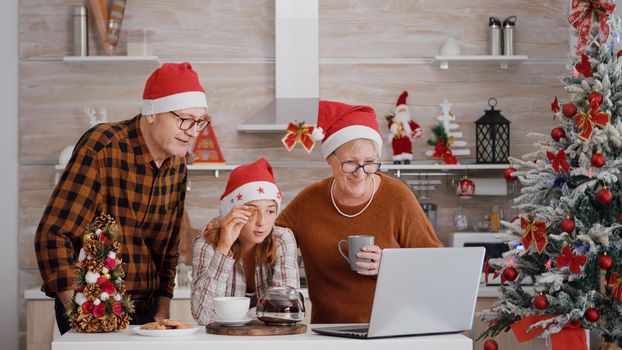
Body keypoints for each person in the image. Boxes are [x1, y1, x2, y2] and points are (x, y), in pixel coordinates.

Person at [34, 62, 210, 334]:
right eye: (184, 118)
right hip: (94, 305)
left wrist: (163, 309)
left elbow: (168, 248)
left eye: (199, 122)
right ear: (152, 113)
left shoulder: (177, 165)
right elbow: (53, 234)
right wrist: (77, 309)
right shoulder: (103, 147)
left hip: (147, 312)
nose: (192, 130)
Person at [277, 100, 443, 323]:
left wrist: (390, 265)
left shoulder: (398, 197)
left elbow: (436, 263)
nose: (361, 173)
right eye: (351, 163)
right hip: (327, 335)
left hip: (392, 331)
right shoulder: (309, 201)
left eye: (370, 162)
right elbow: (267, 241)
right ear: (330, 159)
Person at [191, 158, 299, 325]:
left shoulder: (282, 239)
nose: (262, 222)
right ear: (232, 211)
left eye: (270, 211)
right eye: (252, 211)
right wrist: (224, 247)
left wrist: (231, 316)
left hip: (273, 340)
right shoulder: (207, 244)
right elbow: (203, 316)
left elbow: (284, 308)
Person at [387, 91, 423, 164]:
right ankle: (397, 160)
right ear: (397, 112)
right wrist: (394, 126)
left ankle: (407, 159)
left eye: (404, 110)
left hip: (406, 138)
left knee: (407, 148)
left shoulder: (409, 121)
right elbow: (390, 126)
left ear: (407, 111)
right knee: (397, 148)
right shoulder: (394, 121)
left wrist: (417, 132)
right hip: (397, 138)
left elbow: (416, 127)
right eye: (401, 110)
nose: (402, 112)